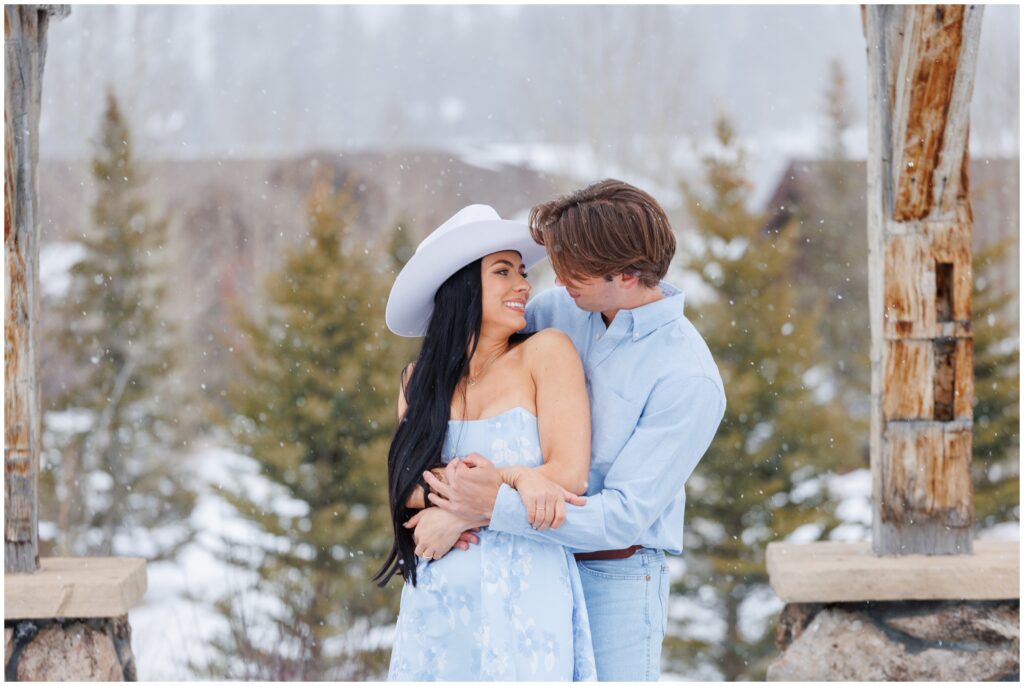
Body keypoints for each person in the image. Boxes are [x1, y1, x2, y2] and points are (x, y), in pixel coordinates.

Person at [417, 179, 726, 681]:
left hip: (615, 575)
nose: (554, 277)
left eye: (572, 266)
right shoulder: (554, 312)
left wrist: (488, 509)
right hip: (528, 565)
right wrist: (454, 505)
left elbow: (624, 515)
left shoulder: (687, 378)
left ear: (626, 274)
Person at [374, 204, 597, 681]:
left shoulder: (547, 352)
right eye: (503, 271)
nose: (523, 285)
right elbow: (409, 488)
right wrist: (499, 489)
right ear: (462, 286)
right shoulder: (419, 381)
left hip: (527, 590)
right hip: (441, 600)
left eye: (521, 272)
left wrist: (463, 507)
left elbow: (567, 473)